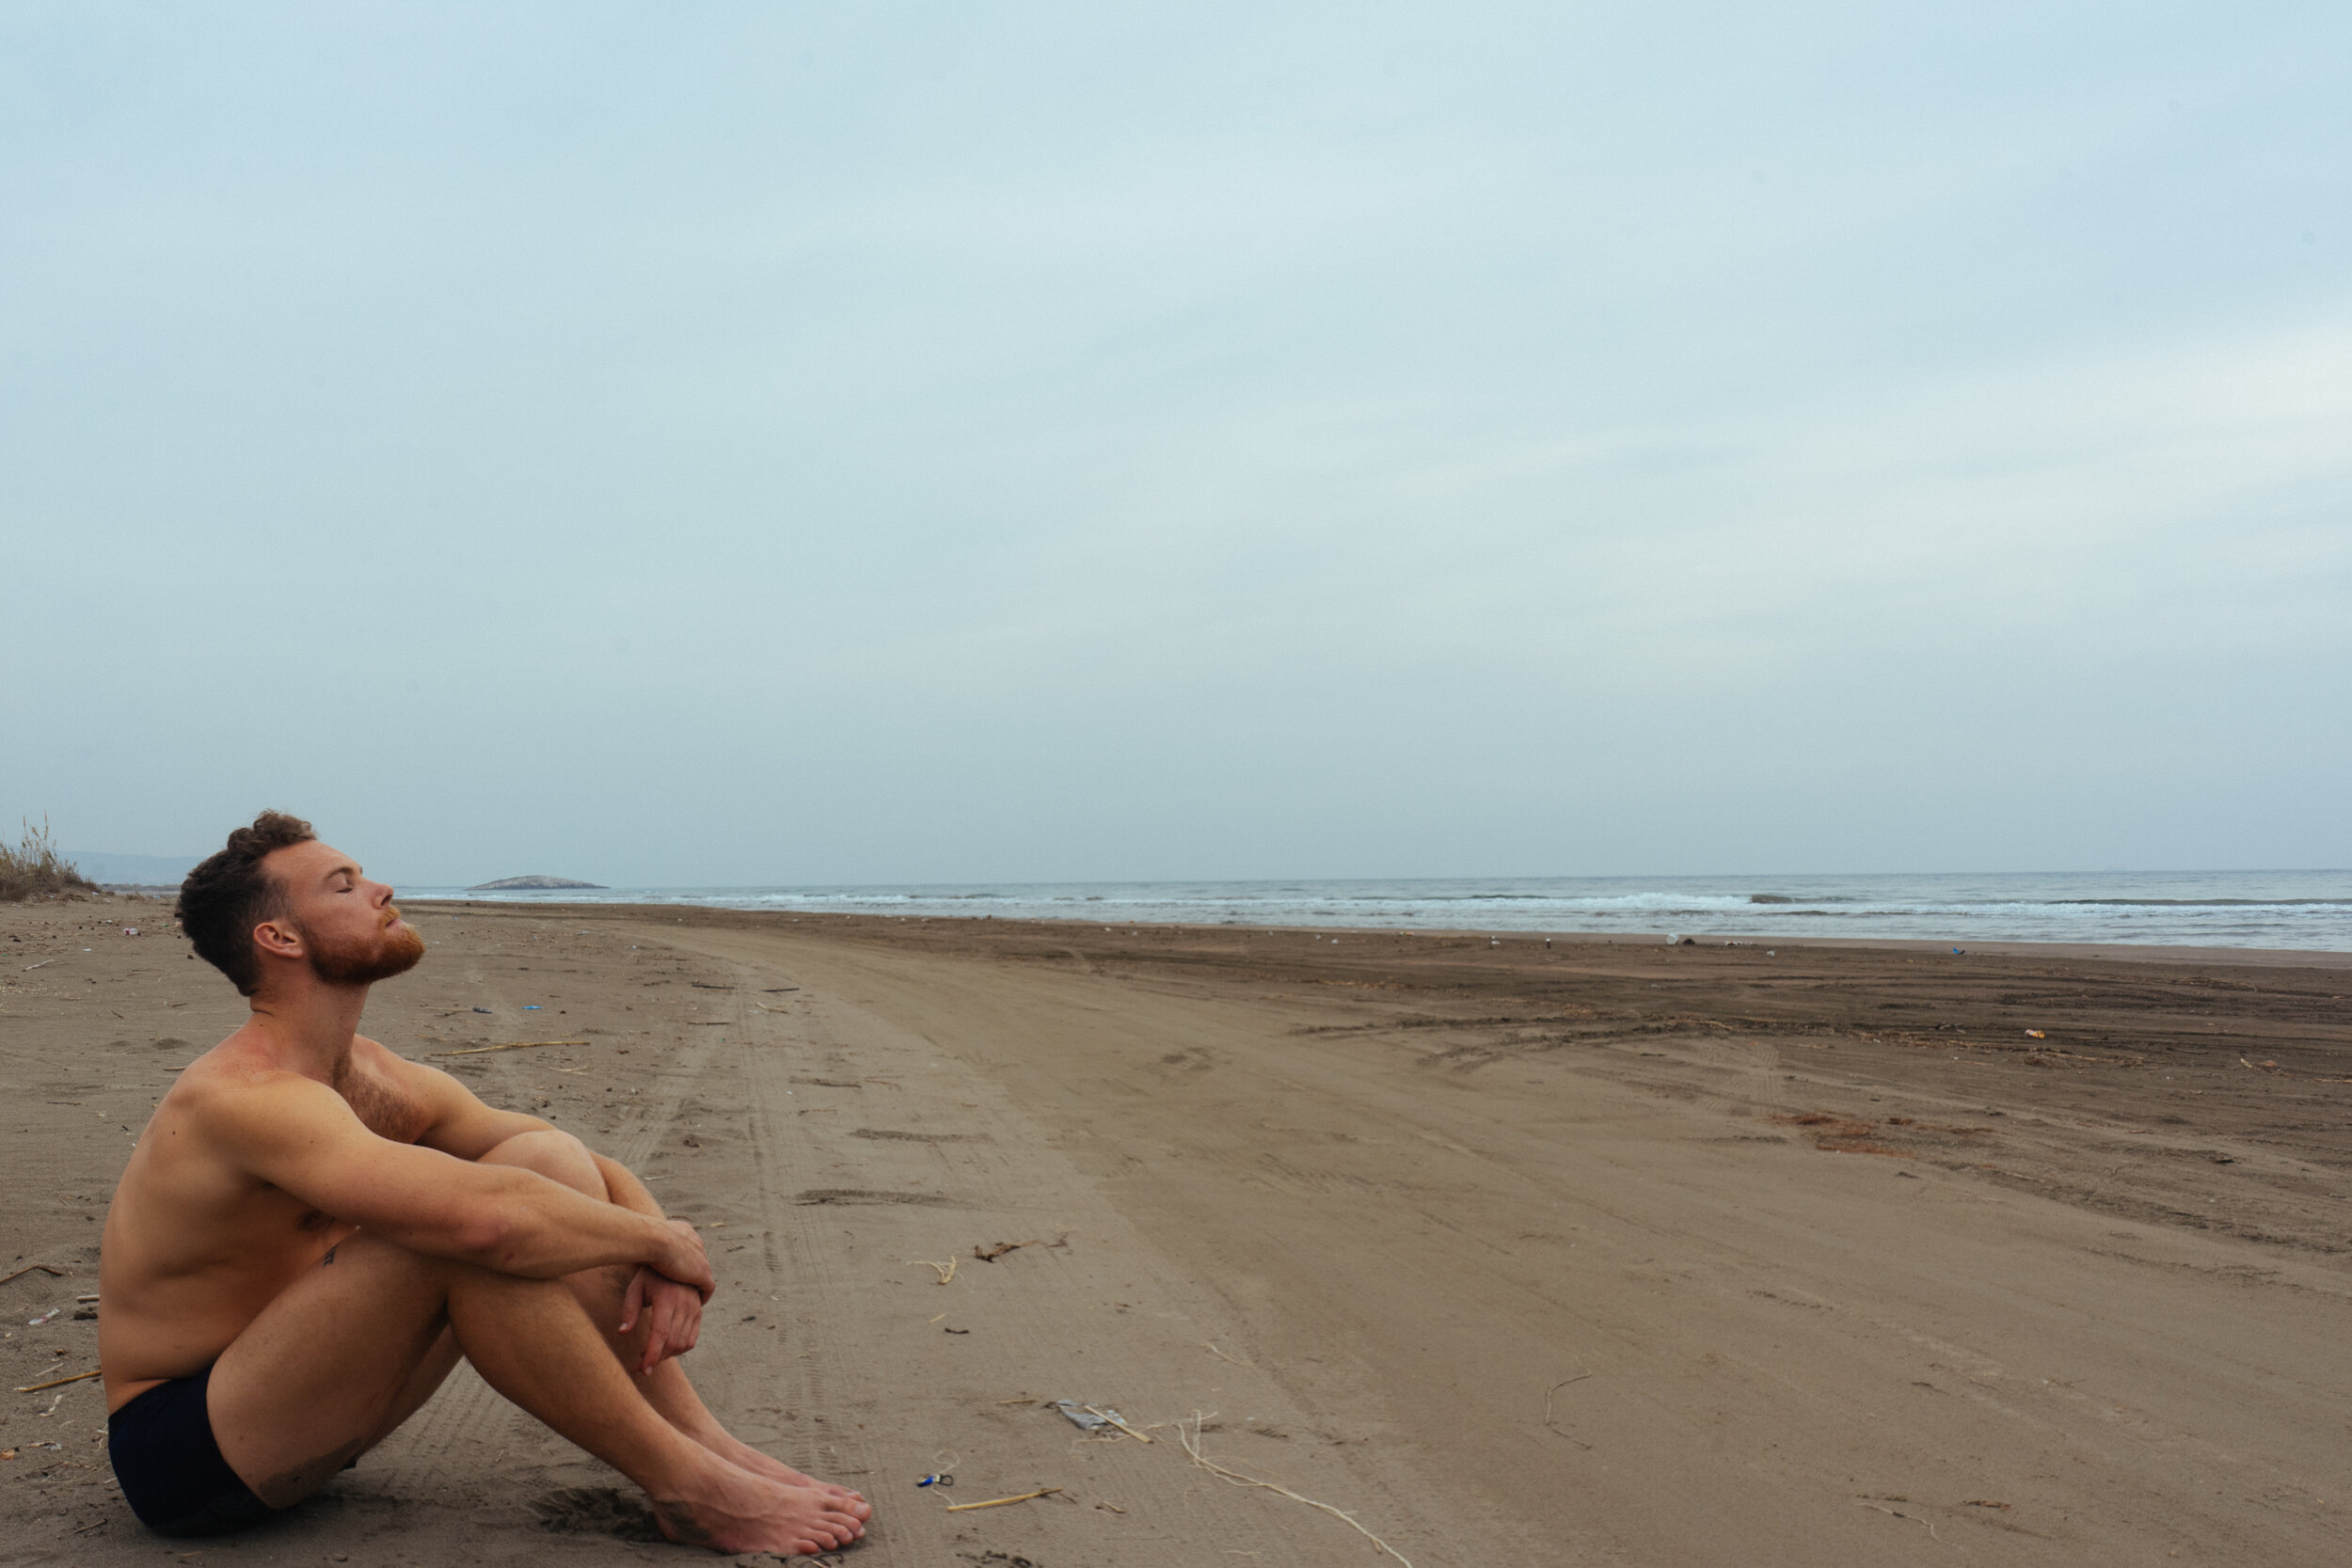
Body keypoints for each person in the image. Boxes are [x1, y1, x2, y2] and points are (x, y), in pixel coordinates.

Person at [97, 811, 869, 1554]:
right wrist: (661, 1244)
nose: (381, 890)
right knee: (464, 1237)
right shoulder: (247, 1098)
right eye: (344, 885)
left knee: (544, 1165)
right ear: (280, 938)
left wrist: (661, 1239)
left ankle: (702, 1442)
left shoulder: (373, 1073)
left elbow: (569, 1157)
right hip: (188, 1452)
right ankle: (688, 1486)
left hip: (312, 1403)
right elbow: (487, 1225)